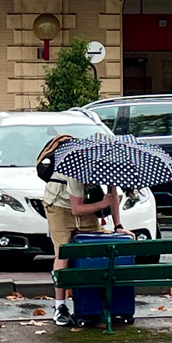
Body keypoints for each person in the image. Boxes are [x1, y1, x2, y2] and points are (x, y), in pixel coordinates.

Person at [38, 134, 126, 328]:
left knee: (92, 250)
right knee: (63, 251)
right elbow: (76, 208)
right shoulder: (77, 168)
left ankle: (93, 305)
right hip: (59, 206)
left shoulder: (110, 167)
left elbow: (113, 198)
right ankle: (60, 307)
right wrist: (102, 203)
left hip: (86, 203)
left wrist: (118, 226)